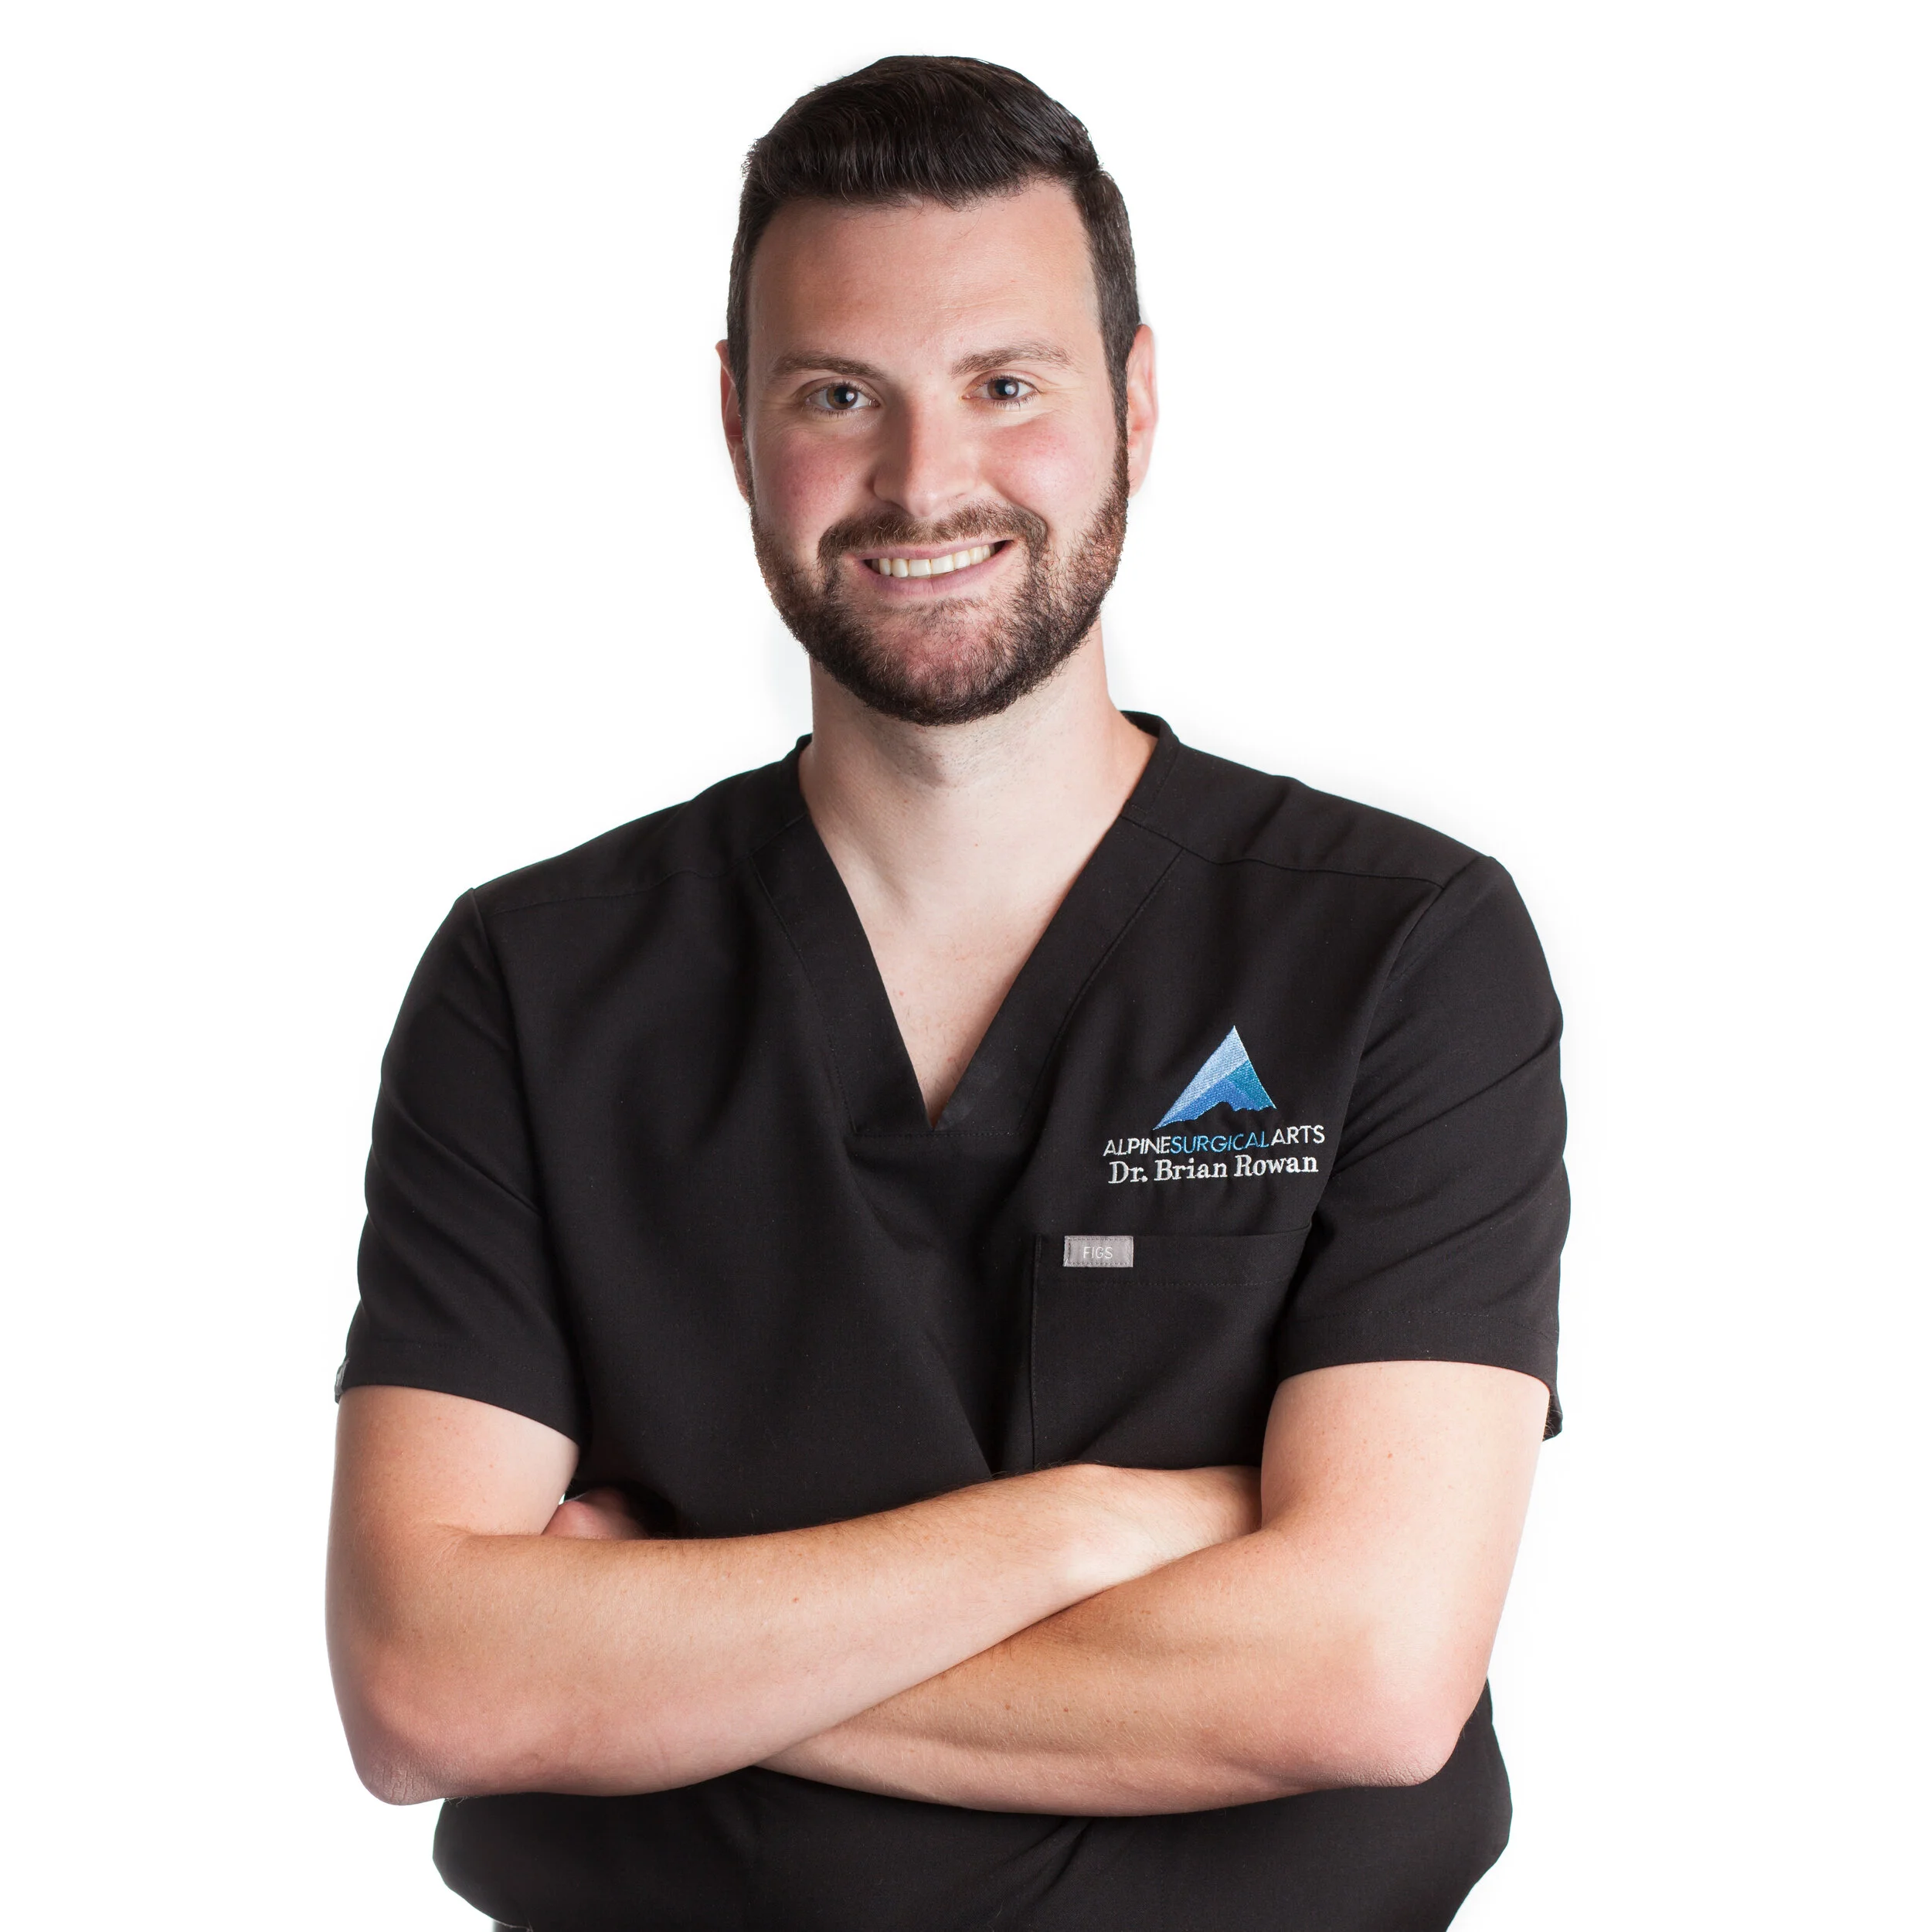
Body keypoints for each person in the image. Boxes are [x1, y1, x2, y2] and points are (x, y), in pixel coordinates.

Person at [327, 55, 1567, 1932]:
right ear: (737, 422)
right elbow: (428, 1682)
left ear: (1132, 402)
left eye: (1005, 385)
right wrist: (1093, 1521)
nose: (923, 481)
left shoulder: (1396, 947)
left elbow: (1370, 1669)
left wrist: (633, 1659)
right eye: (839, 394)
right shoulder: (535, 979)